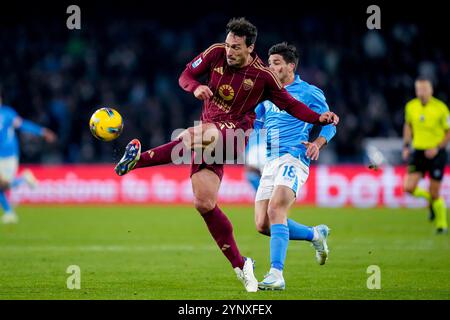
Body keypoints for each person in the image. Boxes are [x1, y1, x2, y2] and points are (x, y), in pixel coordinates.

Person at [114, 18, 339, 292]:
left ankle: (137, 160)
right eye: (229, 45)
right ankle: (242, 264)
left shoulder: (263, 77)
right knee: (204, 203)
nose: (230, 51)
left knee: (193, 134)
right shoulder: (215, 53)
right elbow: (185, 75)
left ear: (250, 48)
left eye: (236, 47)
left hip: (234, 136)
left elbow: (293, 106)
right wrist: (195, 87)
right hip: (211, 140)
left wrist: (319, 118)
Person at [252, 42, 336, 290]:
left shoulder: (309, 92)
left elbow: (330, 123)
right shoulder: (266, 94)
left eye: (276, 63)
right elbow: (256, 122)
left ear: (291, 66)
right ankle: (315, 235)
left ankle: (276, 274)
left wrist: (318, 143)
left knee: (277, 209)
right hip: (270, 161)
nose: (272, 67)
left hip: (295, 157)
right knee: (262, 224)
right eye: (270, 63)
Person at [0, 91, 57, 224]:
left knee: (4, 185)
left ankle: (23, 180)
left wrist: (42, 131)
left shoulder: (7, 113)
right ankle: (9, 213)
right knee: (1, 186)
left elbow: (23, 125)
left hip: (9, 155)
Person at [402, 76, 449, 234]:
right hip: (419, 151)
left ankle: (441, 225)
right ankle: (430, 200)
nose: (421, 92)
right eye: (418, 89)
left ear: (431, 90)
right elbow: (408, 126)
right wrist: (407, 145)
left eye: (424, 89)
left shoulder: (441, 108)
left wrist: (437, 148)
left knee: (435, 191)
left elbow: (448, 132)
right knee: (408, 187)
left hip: (436, 153)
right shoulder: (411, 106)